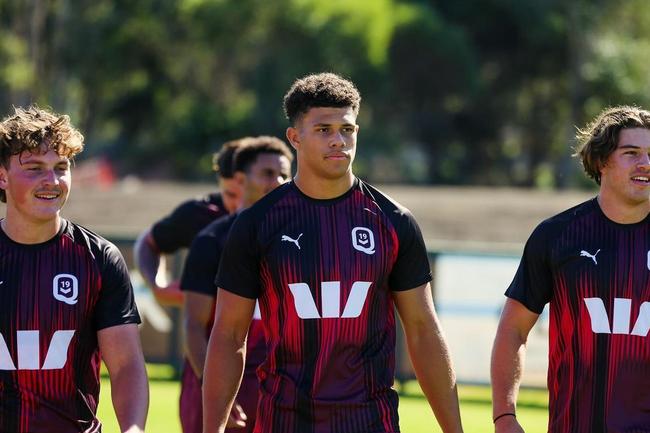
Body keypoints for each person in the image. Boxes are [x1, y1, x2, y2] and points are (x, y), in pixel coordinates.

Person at [202, 72, 463, 433]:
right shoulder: (256, 224)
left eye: (347, 129)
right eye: (324, 129)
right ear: (295, 137)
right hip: (285, 422)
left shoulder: (394, 221)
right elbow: (229, 335)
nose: (339, 140)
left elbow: (422, 330)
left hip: (371, 422)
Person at [491, 105, 650, 432]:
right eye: (632, 153)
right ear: (602, 160)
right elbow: (513, 329)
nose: (645, 163)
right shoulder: (558, 236)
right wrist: (504, 416)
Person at [0, 105, 148, 433]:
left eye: (61, 167)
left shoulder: (98, 258)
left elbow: (125, 366)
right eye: (35, 168)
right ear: (2, 176)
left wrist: (133, 430)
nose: (51, 181)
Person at [181, 136, 293, 433]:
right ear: (241, 179)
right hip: (222, 381)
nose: (279, 181)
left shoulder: (299, 239)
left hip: (281, 390)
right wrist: (216, 395)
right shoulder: (212, 240)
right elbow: (194, 325)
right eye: (268, 173)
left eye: (284, 174)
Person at [133, 140, 243, 307]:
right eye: (231, 194)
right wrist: (158, 287)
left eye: (249, 194)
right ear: (220, 183)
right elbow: (148, 242)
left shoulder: (287, 212)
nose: (240, 205)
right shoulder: (202, 212)